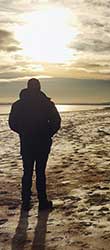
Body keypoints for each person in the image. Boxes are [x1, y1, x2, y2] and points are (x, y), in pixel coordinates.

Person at [9, 78, 61, 211]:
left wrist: (25, 132)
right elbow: (56, 121)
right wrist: (47, 132)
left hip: (31, 142)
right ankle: (40, 202)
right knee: (38, 172)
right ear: (38, 87)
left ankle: (27, 202)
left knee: (28, 172)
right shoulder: (45, 103)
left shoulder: (20, 104)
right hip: (38, 142)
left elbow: (13, 123)